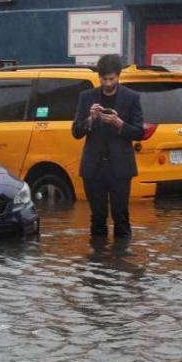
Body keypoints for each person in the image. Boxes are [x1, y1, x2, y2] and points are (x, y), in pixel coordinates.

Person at [71, 53, 145, 238]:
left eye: (111, 79)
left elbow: (139, 133)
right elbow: (76, 132)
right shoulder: (87, 97)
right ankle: (98, 263)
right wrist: (90, 119)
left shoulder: (131, 98)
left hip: (120, 168)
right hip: (93, 168)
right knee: (97, 218)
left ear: (118, 76)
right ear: (99, 77)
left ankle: (121, 261)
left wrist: (119, 123)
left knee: (121, 217)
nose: (108, 83)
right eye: (104, 79)